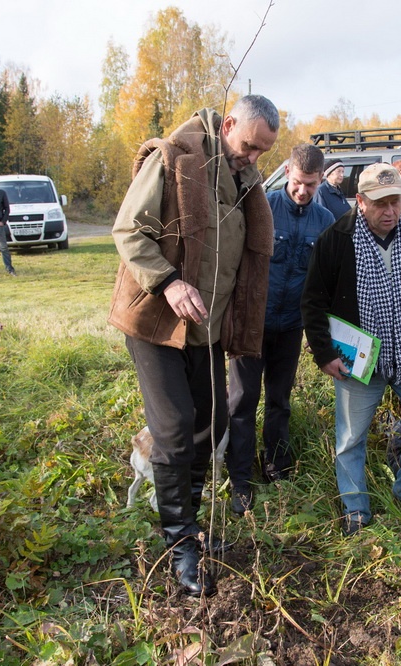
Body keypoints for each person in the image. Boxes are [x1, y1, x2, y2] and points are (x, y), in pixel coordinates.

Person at [108, 95, 279, 597]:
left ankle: (194, 529)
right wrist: (169, 282)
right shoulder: (174, 158)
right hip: (158, 321)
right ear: (228, 125)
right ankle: (179, 544)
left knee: (213, 423)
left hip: (207, 329)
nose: (253, 158)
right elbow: (128, 230)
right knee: (175, 429)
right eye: (249, 146)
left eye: (263, 152)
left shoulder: (247, 181)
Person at [301, 163, 401, 537]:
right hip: (358, 360)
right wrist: (325, 354)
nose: (390, 211)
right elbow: (313, 302)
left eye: (396, 201)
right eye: (381, 203)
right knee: (351, 436)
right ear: (360, 202)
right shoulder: (336, 239)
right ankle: (356, 508)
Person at [226, 144, 334, 514]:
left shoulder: (325, 222)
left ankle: (277, 467)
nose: (303, 191)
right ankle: (239, 478)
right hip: (251, 324)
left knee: (279, 401)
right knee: (241, 402)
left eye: (312, 185)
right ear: (288, 171)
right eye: (299, 182)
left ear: (321, 180)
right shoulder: (261, 206)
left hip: (291, 327)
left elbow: (326, 283)